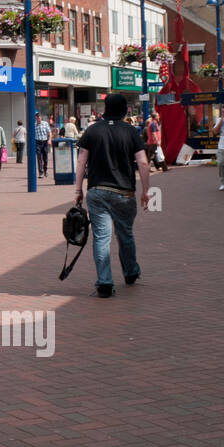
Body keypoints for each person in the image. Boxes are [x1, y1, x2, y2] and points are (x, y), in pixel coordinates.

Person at [73, 92, 150, 299]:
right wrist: (146, 191)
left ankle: (105, 281)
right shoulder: (131, 131)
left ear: (105, 108)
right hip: (124, 192)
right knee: (125, 234)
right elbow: (143, 163)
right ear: (124, 109)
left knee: (101, 237)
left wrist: (78, 190)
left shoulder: (92, 130)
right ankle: (131, 272)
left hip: (97, 191)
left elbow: (81, 161)